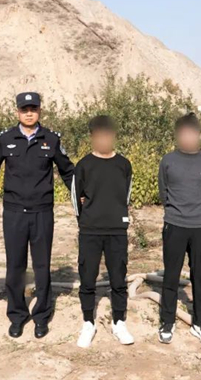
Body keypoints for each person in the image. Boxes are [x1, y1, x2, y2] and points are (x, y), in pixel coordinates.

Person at [0, 92, 74, 339]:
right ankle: (17, 315)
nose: (29, 113)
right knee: (15, 266)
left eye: (33, 109)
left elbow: (68, 172)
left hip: (42, 212)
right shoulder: (5, 139)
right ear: (17, 111)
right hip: (14, 213)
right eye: (24, 109)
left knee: (42, 266)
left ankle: (41, 316)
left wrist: (83, 198)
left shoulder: (51, 139)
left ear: (39, 111)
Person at [72, 115, 134, 348]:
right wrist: (86, 219)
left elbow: (126, 196)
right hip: (90, 230)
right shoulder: (84, 165)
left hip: (117, 229)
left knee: (118, 278)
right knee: (87, 278)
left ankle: (119, 322)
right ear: (92, 136)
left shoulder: (124, 164)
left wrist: (119, 216)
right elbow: (76, 198)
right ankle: (88, 322)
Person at [157, 112, 201, 346]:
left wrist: (196, 211)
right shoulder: (168, 160)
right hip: (175, 225)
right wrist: (177, 211)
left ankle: (200, 324)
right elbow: (164, 192)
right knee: (171, 275)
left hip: (200, 226)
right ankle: (167, 321)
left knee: (200, 277)